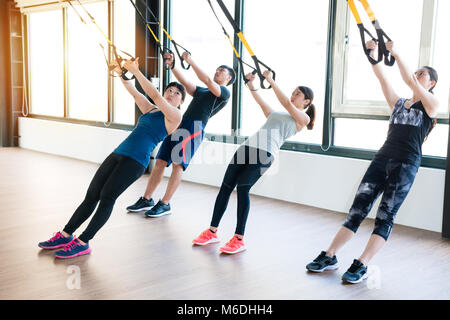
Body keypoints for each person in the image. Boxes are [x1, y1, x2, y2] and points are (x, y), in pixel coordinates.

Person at [306, 40, 439, 283]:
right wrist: (371, 55)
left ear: (431, 84)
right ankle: (330, 255)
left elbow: (409, 81)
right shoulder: (398, 103)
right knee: (357, 210)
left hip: (405, 166)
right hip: (381, 160)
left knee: (385, 216)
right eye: (417, 72)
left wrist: (396, 54)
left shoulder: (432, 106)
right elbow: (383, 80)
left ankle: (362, 263)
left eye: (422, 74)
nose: (416, 76)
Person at [38, 58, 185, 259]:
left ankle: (83, 242)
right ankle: (65, 234)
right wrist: (121, 73)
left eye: (177, 94)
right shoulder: (151, 110)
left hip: (135, 162)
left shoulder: (174, 117)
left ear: (181, 102)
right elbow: (133, 90)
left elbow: (154, 94)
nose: (172, 94)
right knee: (91, 195)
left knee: (107, 197)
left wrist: (136, 70)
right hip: (118, 154)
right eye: (170, 90)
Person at [192, 70, 316, 254]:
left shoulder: (302, 119)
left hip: (265, 154)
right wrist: (251, 85)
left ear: (306, 102)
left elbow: (287, 103)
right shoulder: (278, 113)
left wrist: (271, 81)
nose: (293, 95)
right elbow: (262, 103)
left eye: (298, 93)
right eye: (294, 92)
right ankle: (212, 231)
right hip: (247, 148)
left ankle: (239, 238)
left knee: (243, 188)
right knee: (225, 187)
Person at [126, 51, 235, 218]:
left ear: (228, 79)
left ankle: (165, 203)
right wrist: (173, 65)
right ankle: (147, 199)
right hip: (179, 122)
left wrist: (190, 60)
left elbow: (206, 79)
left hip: (194, 128)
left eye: (222, 71)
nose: (218, 71)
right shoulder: (203, 91)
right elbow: (185, 83)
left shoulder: (224, 93)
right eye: (218, 69)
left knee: (178, 164)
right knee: (161, 161)